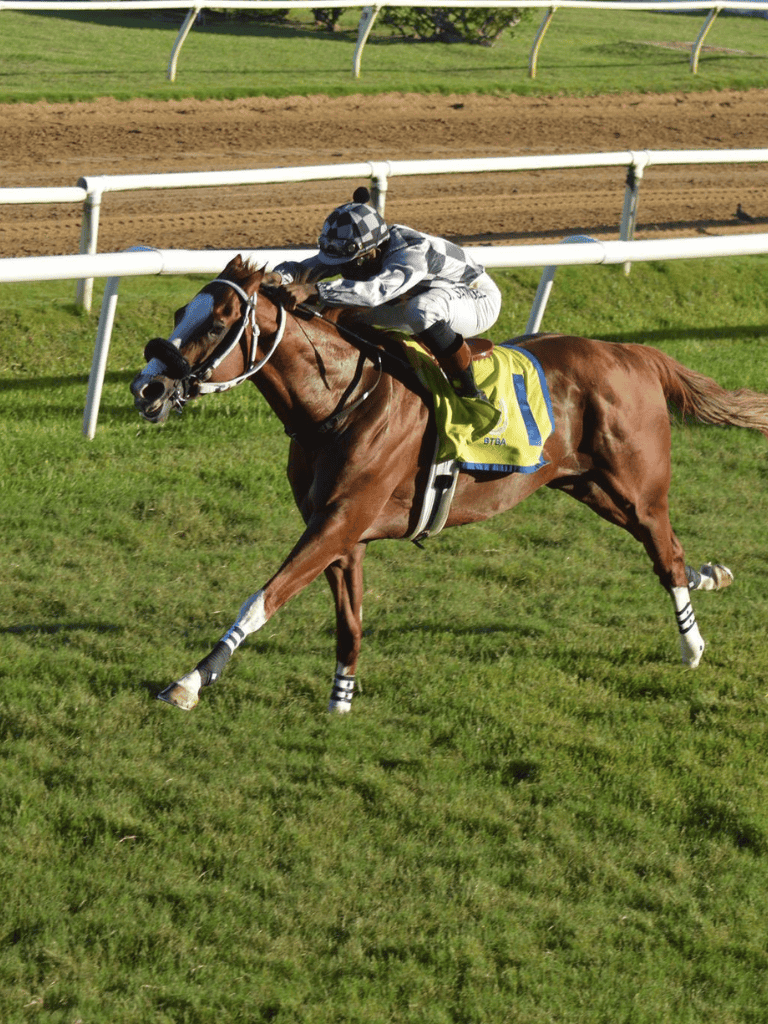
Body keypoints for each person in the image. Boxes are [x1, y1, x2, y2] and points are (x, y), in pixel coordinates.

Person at [269, 188, 502, 405]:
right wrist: (276, 278)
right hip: (421, 296)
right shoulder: (364, 245)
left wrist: (315, 290)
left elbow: (376, 292)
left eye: (351, 263)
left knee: (420, 310)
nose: (345, 269)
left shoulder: (412, 252)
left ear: (372, 252)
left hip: (476, 297)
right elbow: (307, 269)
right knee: (344, 315)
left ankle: (469, 392)